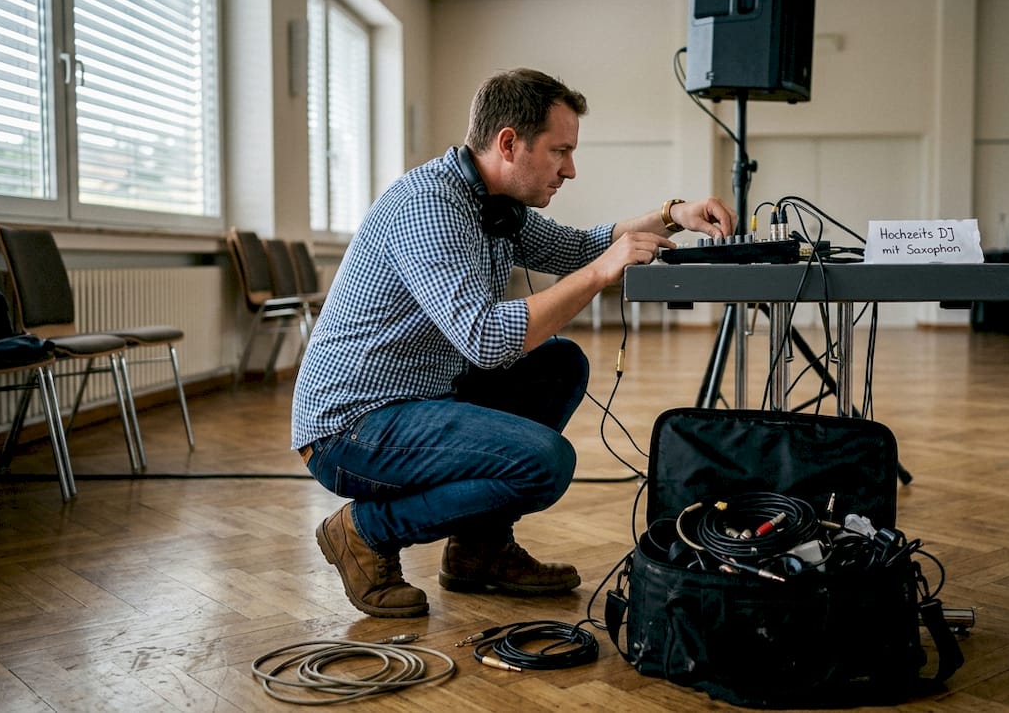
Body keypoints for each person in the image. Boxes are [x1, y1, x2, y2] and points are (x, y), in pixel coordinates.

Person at [291, 68, 734, 618]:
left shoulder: (493, 202)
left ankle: (479, 551)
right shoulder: (429, 205)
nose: (570, 169)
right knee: (544, 463)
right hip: (351, 428)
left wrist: (673, 215)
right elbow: (485, 339)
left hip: (418, 397)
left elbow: (580, 247)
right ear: (508, 143)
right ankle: (364, 531)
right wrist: (601, 274)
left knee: (559, 363)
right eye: (560, 151)